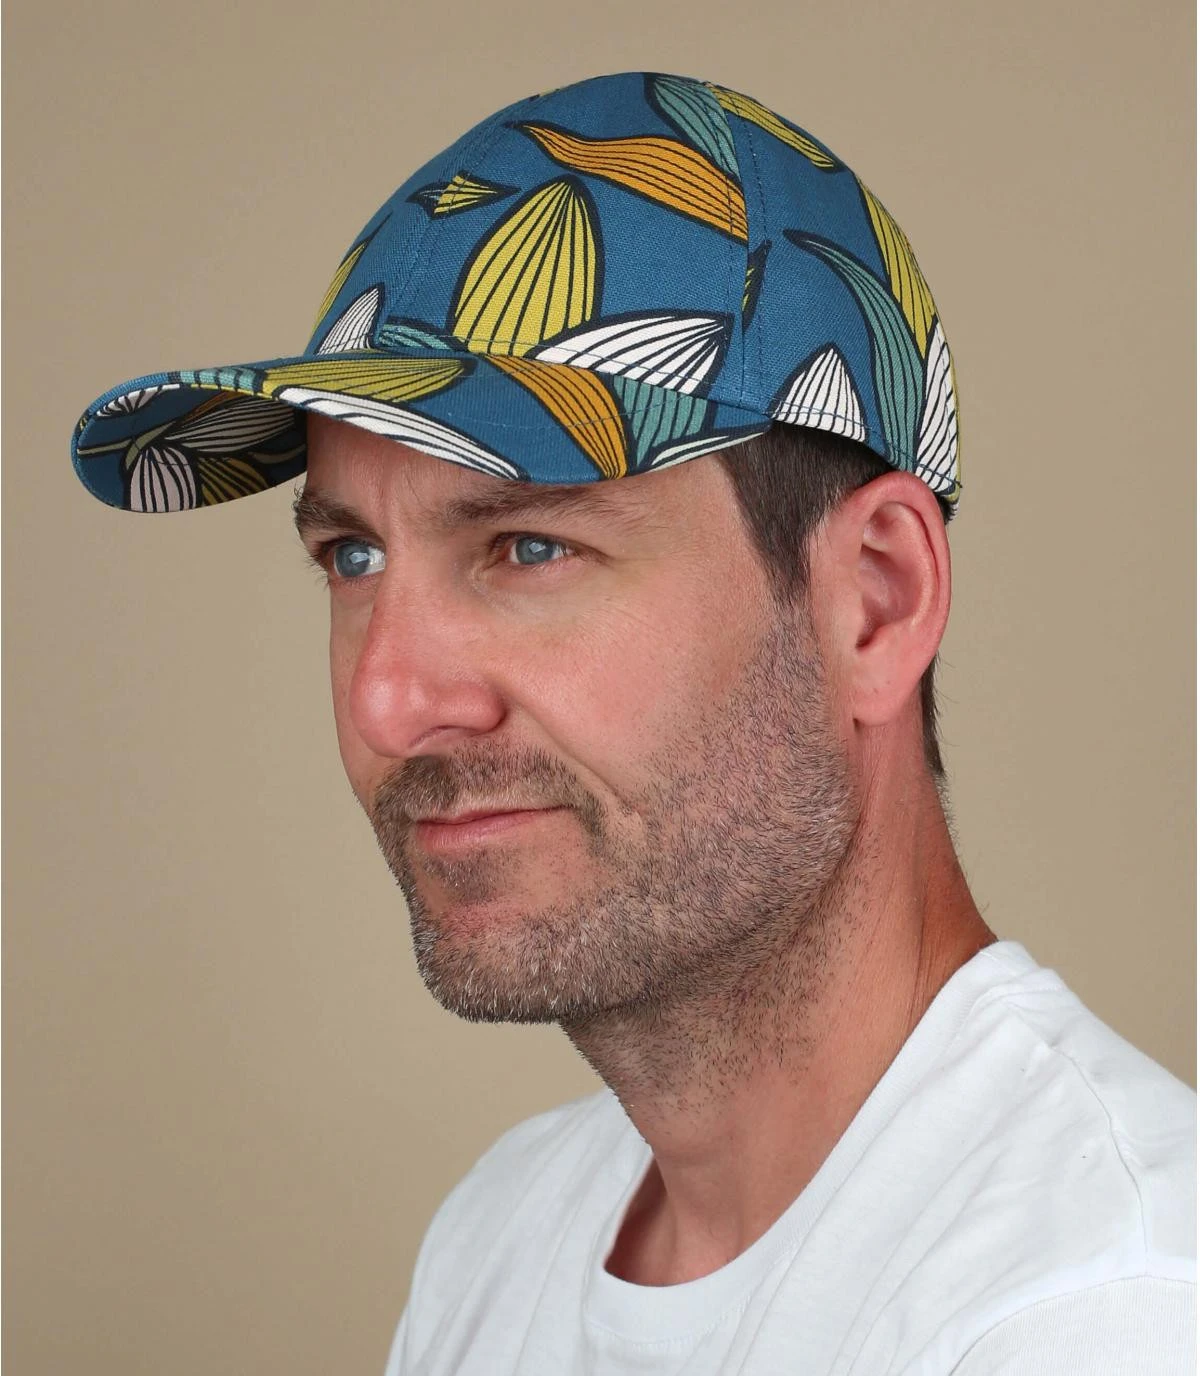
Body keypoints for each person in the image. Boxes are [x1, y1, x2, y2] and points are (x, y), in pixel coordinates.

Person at [70, 70, 1194, 1374]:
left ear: (874, 604)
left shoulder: (1102, 1311)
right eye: (353, 558)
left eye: (530, 546)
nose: (388, 698)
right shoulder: (502, 1235)